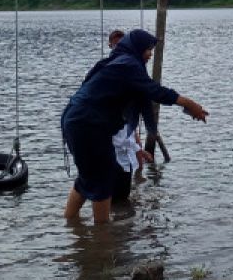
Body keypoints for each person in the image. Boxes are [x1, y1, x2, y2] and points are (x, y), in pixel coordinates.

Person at [61, 29, 208, 223]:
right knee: (103, 178)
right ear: (137, 48)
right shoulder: (127, 65)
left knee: (89, 176)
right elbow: (155, 91)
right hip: (87, 124)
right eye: (148, 49)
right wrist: (190, 104)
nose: (150, 54)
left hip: (80, 121)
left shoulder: (120, 61)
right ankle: (102, 236)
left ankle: (72, 225)